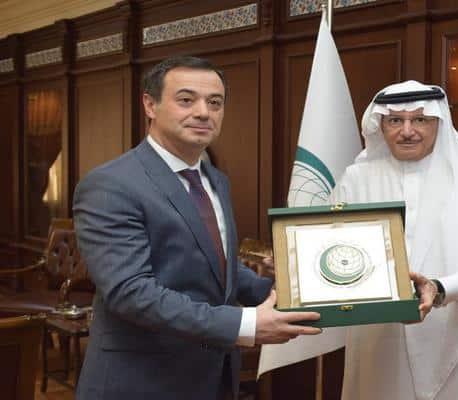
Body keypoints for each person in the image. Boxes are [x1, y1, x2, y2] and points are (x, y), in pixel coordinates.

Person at [73, 56, 321, 400]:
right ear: (150, 105)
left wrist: (291, 291)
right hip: (141, 380)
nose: (204, 112)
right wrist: (244, 324)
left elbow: (218, 268)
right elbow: (130, 292)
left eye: (215, 102)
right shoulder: (111, 184)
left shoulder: (215, 180)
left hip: (214, 376)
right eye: (186, 100)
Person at [330, 80, 458, 400]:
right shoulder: (356, 179)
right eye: (395, 120)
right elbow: (328, 247)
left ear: (438, 122)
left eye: (420, 119)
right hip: (380, 340)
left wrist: (441, 288)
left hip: (454, 332)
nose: (407, 131)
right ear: (380, 125)